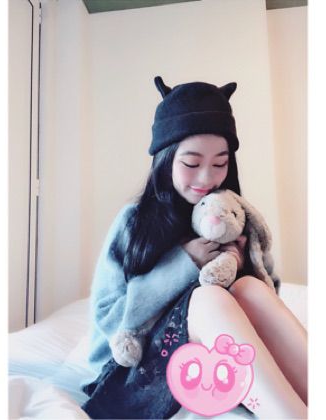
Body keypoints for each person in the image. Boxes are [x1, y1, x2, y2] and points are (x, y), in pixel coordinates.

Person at [81, 77, 307, 419]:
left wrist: (240, 263)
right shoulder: (134, 222)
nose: (206, 178)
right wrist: (186, 262)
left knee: (249, 287)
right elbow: (108, 318)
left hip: (218, 360)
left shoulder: (231, 215)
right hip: (132, 372)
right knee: (208, 297)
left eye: (220, 164)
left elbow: (266, 303)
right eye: (191, 163)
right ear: (166, 159)